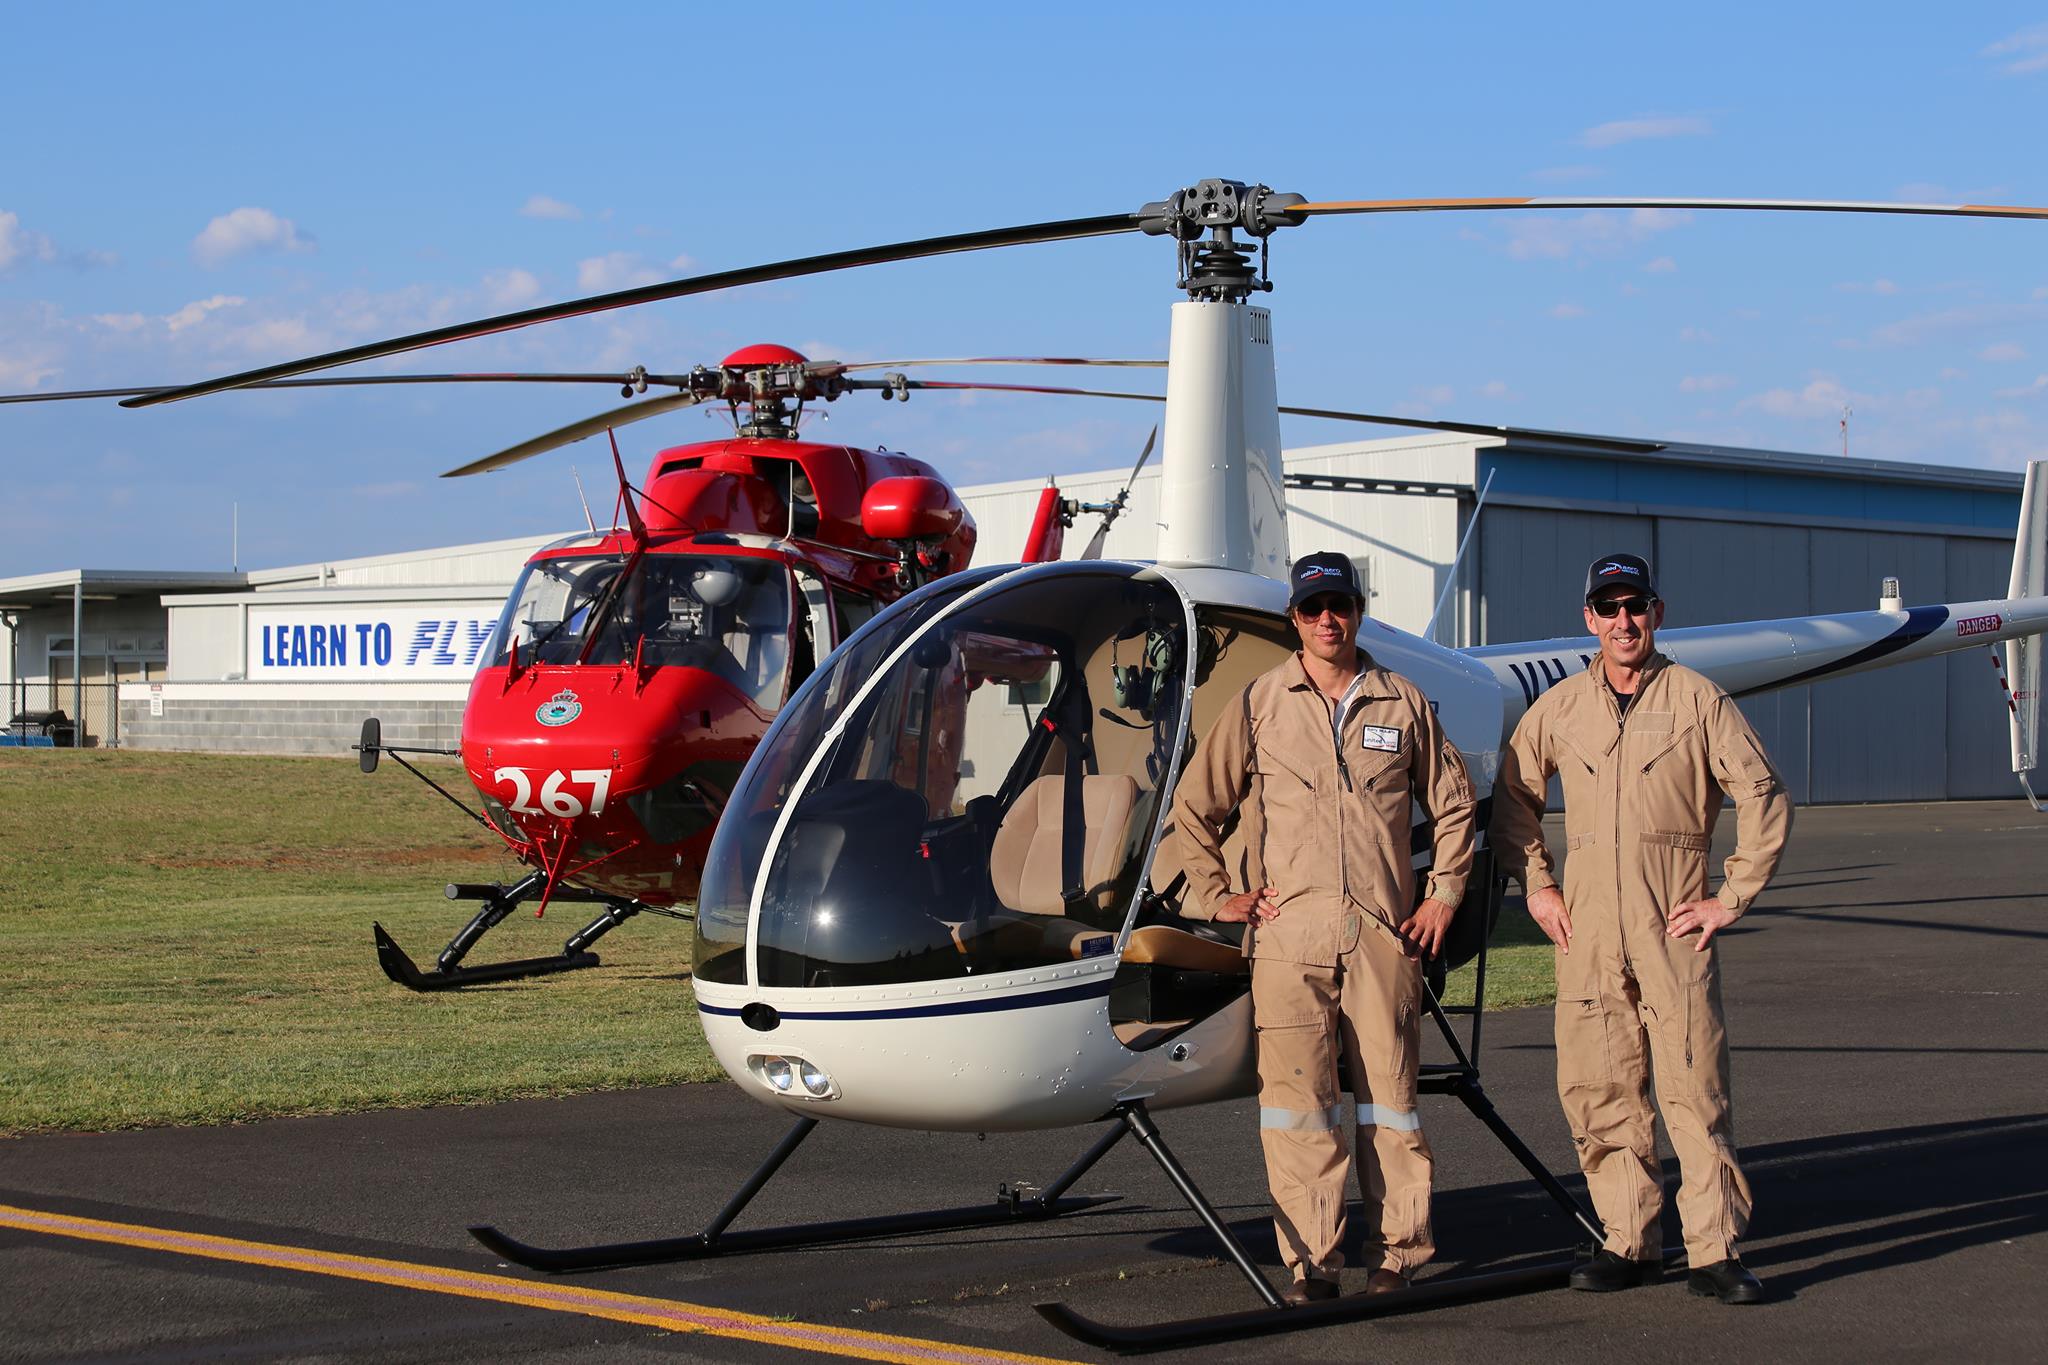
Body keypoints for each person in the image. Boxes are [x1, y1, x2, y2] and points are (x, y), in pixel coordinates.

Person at [1169, 551, 1477, 1302]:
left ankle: (1399, 1254)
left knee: (1389, 1102)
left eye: (1338, 604)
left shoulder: (1402, 702)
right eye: (1312, 609)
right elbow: (1194, 806)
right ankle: (1312, 1264)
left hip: (1381, 935)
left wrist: (1443, 895)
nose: (1327, 619)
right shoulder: (1259, 703)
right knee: (1298, 1104)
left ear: (1358, 611)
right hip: (1289, 938)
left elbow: (1457, 804)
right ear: (1295, 621)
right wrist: (1218, 894)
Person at [1492, 552, 1792, 1305]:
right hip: (1586, 929)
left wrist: (1730, 896)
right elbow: (1513, 798)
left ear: (1656, 613)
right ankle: (1628, 1240)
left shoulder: (1698, 701)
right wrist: (1539, 885)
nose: (1623, 621)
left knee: (1694, 1087)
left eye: (1636, 606)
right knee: (1600, 1087)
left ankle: (1713, 1249)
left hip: (1673, 926)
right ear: (1589, 618)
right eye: (1609, 607)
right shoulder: (1560, 709)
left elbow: (1761, 791)